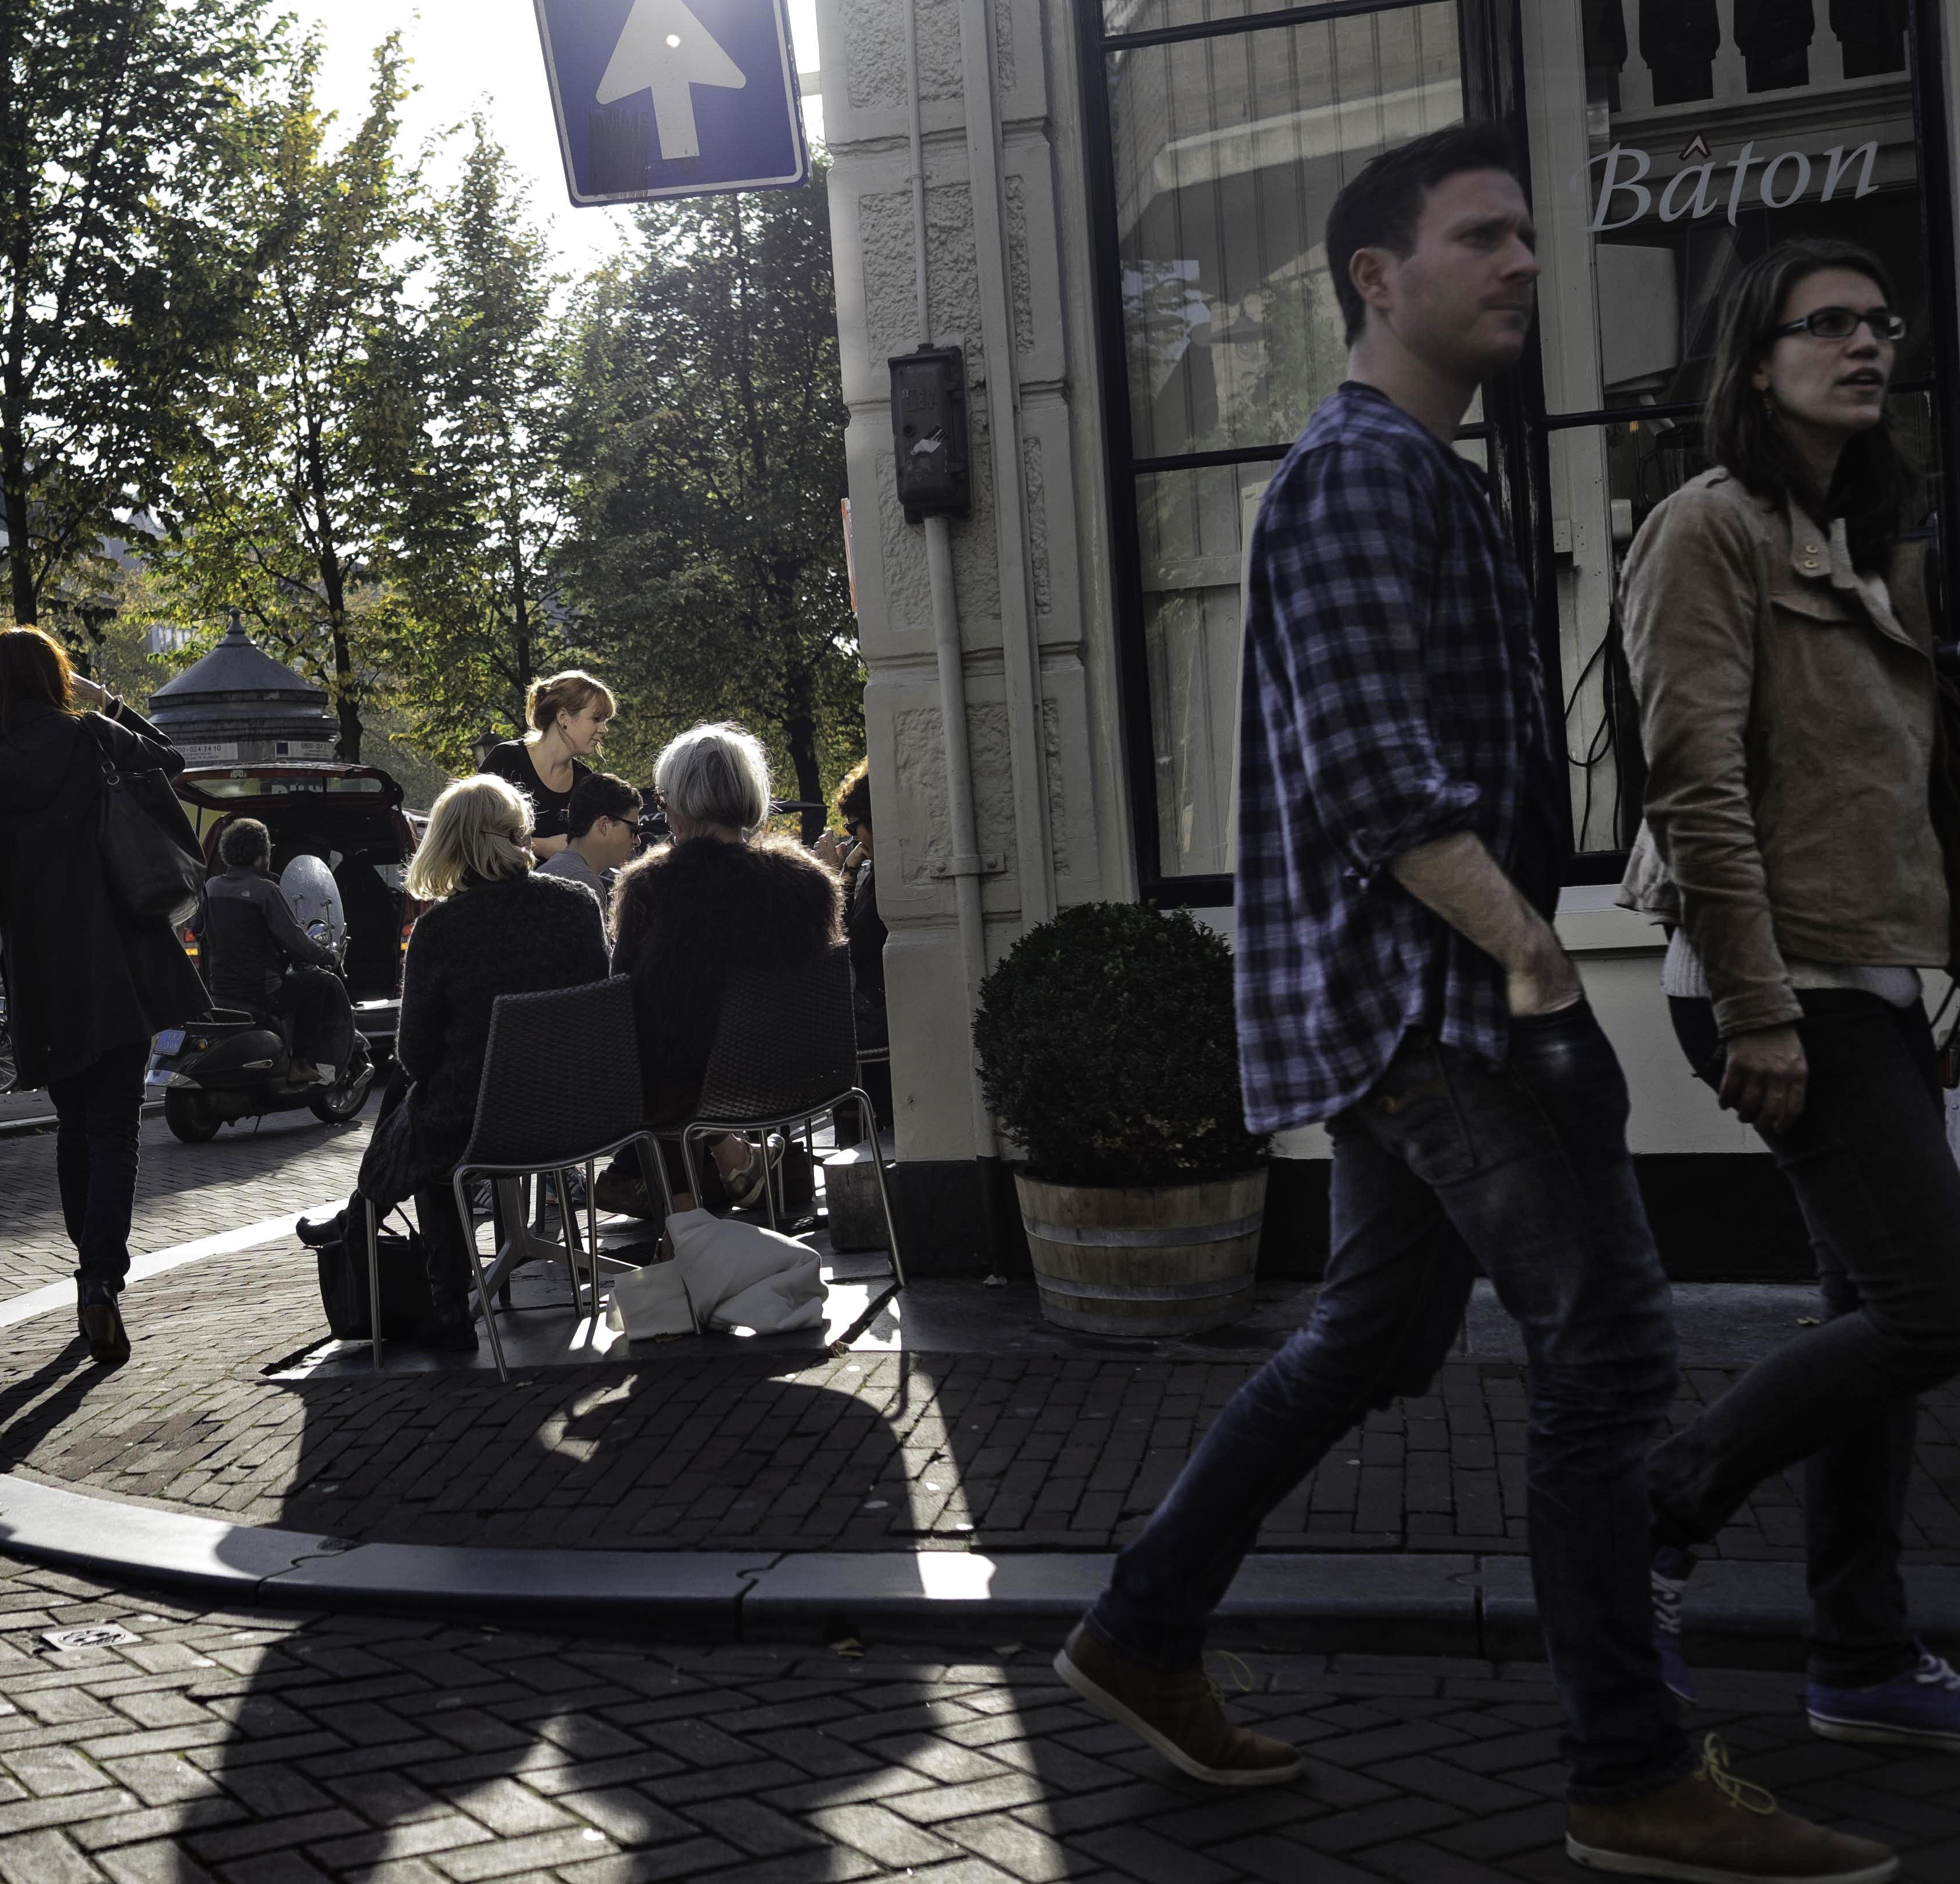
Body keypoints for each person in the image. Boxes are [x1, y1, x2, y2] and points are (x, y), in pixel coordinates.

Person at [1051, 128, 1891, 1883]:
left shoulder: (1420, 473)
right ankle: (1629, 1766)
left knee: (1369, 1336)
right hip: (1438, 1006)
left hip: (1398, 1003)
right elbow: (1381, 774)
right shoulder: (1362, 473)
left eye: (1528, 234)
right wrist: (1529, 963)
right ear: (1380, 276)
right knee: (1610, 1348)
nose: (1525, 259)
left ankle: (1142, 1623)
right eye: (1484, 235)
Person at [1621, 239, 1960, 1754]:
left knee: (1868, 1315)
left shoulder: (1873, 537)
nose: (1864, 345)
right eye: (1826, 326)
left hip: (1873, 974)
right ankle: (1653, 1510)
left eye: (1879, 324)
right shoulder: (1713, 530)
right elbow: (1695, 780)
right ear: (1756, 362)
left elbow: (1902, 797)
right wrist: (1758, 1012)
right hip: (1777, 981)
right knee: (1932, 1308)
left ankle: (1863, 1657)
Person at [0, 627, 206, 1369]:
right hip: (117, 957)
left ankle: (90, 1277)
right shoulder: (89, 736)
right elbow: (173, 762)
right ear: (55, 677)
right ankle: (100, 1280)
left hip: (41, 967)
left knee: (74, 1126)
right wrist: (105, 702)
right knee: (116, 1126)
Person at [350, 775, 607, 1349]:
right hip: (585, 1112)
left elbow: (414, 1054)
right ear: (520, 835)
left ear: (446, 845)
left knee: (423, 1121)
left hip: (481, 1127)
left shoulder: (440, 930)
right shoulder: (578, 905)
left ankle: (449, 1305)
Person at [608, 723, 841, 1212]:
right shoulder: (809, 883)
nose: (660, 807)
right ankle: (731, 1161)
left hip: (690, 1090)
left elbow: (622, 1000)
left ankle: (684, 1209)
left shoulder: (652, 885)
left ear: (684, 801)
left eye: (663, 795)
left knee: (642, 1049)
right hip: (808, 1074)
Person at [193, 816, 357, 1081]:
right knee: (318, 983)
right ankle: (300, 1063)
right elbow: (295, 939)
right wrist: (329, 957)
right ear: (261, 854)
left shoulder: (211, 888)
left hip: (220, 989)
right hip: (263, 992)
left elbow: (197, 927)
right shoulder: (266, 891)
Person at [479, 670, 614, 858]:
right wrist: (540, 846)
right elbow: (474, 835)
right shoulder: (506, 760)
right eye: (597, 719)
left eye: (605, 721)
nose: (604, 729)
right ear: (564, 718)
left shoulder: (585, 780)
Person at [828, 759, 890, 1125]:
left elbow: (849, 941)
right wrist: (849, 872)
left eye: (853, 827)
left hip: (879, 1014)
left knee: (824, 1032)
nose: (853, 837)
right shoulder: (875, 874)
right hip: (873, 1006)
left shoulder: (888, 882)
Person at [537, 770, 644, 913]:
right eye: (634, 830)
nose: (637, 841)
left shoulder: (554, 870)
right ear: (604, 825)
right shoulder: (583, 882)